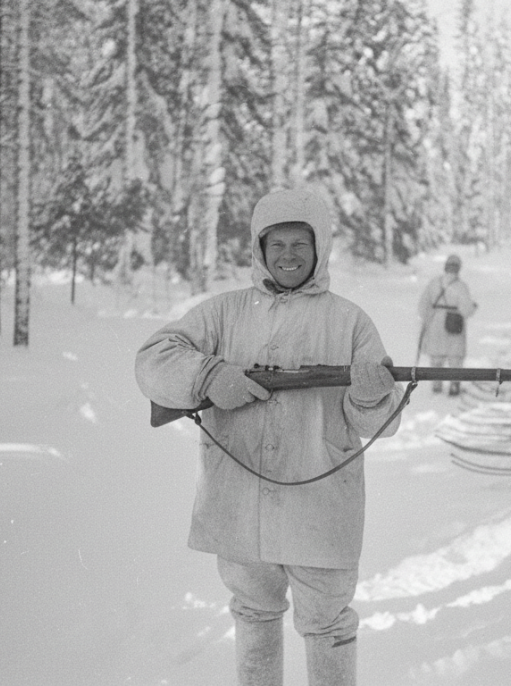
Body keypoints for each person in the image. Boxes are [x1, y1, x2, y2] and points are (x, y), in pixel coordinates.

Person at [135, 188, 402, 686]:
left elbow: (380, 424)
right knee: (254, 616)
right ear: (258, 248)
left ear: (319, 247)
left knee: (327, 625)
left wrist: (368, 397)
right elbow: (153, 360)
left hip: (321, 509)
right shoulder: (223, 312)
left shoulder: (350, 321)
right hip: (240, 506)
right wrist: (210, 377)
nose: (288, 256)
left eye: (299, 244)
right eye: (275, 244)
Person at [416, 254, 477, 396]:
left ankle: (436, 384)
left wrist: (427, 320)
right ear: (458, 269)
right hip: (455, 323)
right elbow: (466, 309)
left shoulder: (434, 283)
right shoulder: (461, 286)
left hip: (435, 323)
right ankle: (454, 385)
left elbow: (422, 306)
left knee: (436, 355)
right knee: (455, 356)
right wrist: (473, 308)